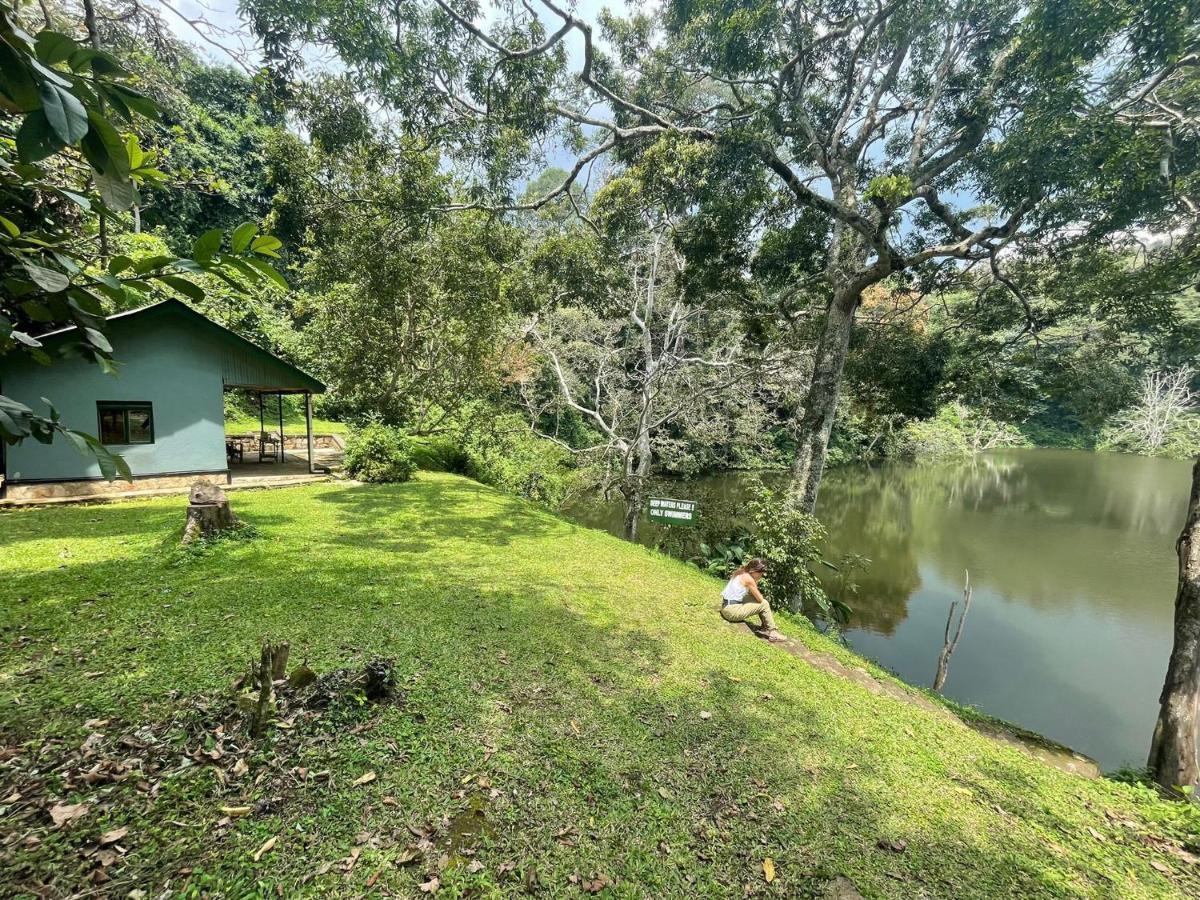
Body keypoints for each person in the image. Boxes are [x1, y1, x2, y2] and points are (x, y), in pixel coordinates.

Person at [720, 558, 785, 642]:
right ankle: (772, 632)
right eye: (760, 572)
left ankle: (765, 627)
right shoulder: (749, 579)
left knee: (751, 597)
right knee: (764, 603)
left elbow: (751, 595)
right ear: (753, 570)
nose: (761, 575)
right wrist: (756, 581)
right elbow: (760, 599)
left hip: (726, 606)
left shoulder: (741, 572)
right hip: (732, 612)